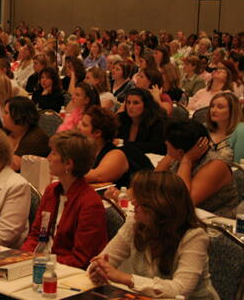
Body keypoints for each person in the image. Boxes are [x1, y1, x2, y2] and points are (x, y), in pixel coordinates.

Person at [88, 171, 219, 300]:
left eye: (140, 200)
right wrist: (98, 271)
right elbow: (104, 261)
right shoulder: (134, 223)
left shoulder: (194, 236)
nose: (133, 202)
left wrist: (126, 278)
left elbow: (181, 289)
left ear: (161, 204)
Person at [21, 131, 107, 269]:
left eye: (54, 153)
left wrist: (42, 261)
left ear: (68, 164)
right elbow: (35, 236)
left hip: (65, 273)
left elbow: (81, 259)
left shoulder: (90, 204)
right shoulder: (51, 191)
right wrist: (24, 257)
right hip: (40, 264)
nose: (48, 157)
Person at [156, 119, 238, 218]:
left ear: (180, 151)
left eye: (167, 145)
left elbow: (184, 202)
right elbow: (154, 180)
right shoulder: (178, 156)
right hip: (187, 218)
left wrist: (187, 160)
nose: (166, 148)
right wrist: (174, 155)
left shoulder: (215, 165)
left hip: (214, 225)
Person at [78, 106, 152, 188]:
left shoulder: (116, 154)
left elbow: (97, 176)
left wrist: (64, 170)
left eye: (84, 125)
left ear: (97, 133)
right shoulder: (90, 150)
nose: (78, 127)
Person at [3, 97, 50, 171]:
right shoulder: (8, 131)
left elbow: (12, 166)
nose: (3, 116)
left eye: (6, 113)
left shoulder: (36, 139)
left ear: (18, 116)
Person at [117, 88, 167, 155]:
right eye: (128, 102)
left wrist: (123, 142)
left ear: (146, 105)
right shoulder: (122, 118)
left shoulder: (156, 122)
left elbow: (156, 147)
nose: (130, 106)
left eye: (136, 103)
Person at [206, 92, 244, 163]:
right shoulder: (204, 128)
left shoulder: (241, 131)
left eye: (220, 107)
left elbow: (239, 167)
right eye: (212, 106)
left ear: (232, 110)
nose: (213, 110)